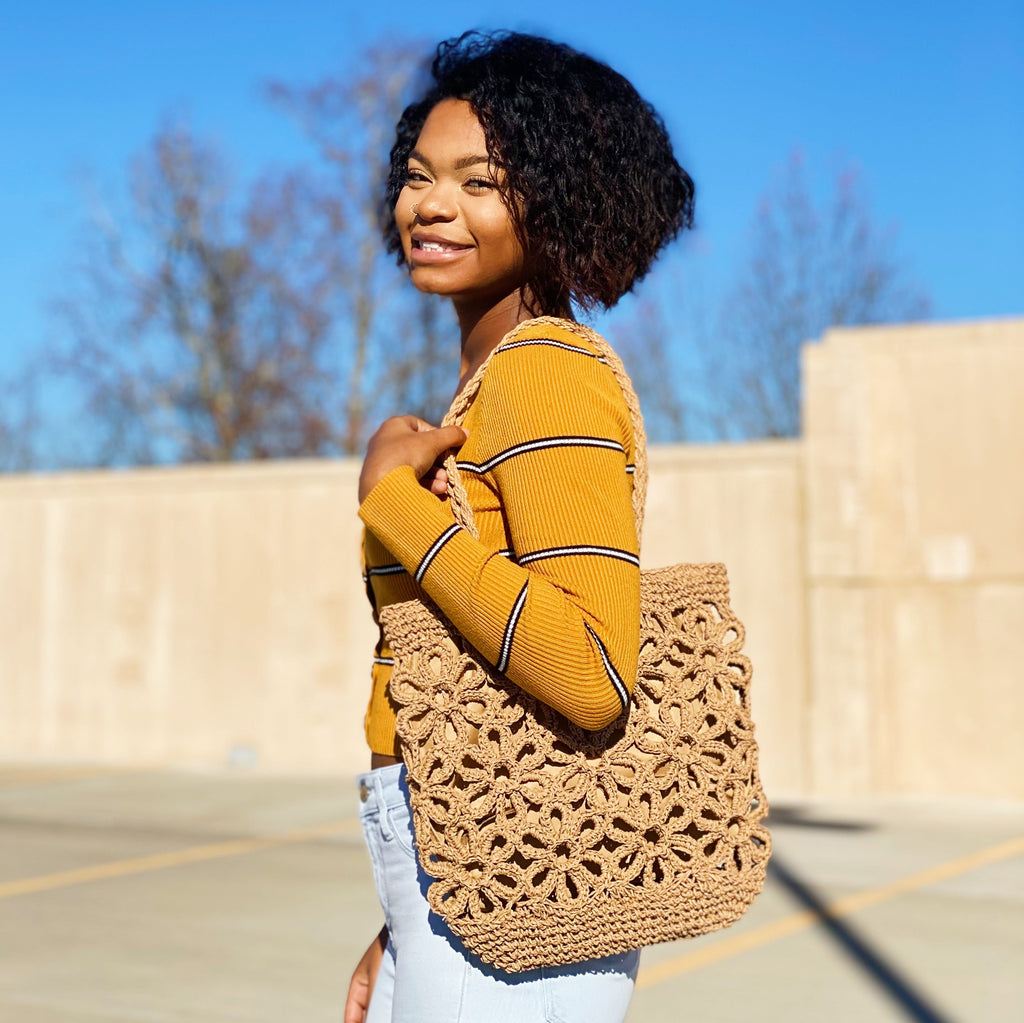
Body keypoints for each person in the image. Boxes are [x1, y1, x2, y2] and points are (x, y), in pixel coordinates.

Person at [347, 30, 693, 1023]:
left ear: (559, 201)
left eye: (479, 181)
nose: (431, 204)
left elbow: (587, 675)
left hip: (509, 917)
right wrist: (401, 920)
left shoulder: (545, 372)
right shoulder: (487, 386)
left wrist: (396, 508)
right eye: (418, 177)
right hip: (463, 878)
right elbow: (458, 682)